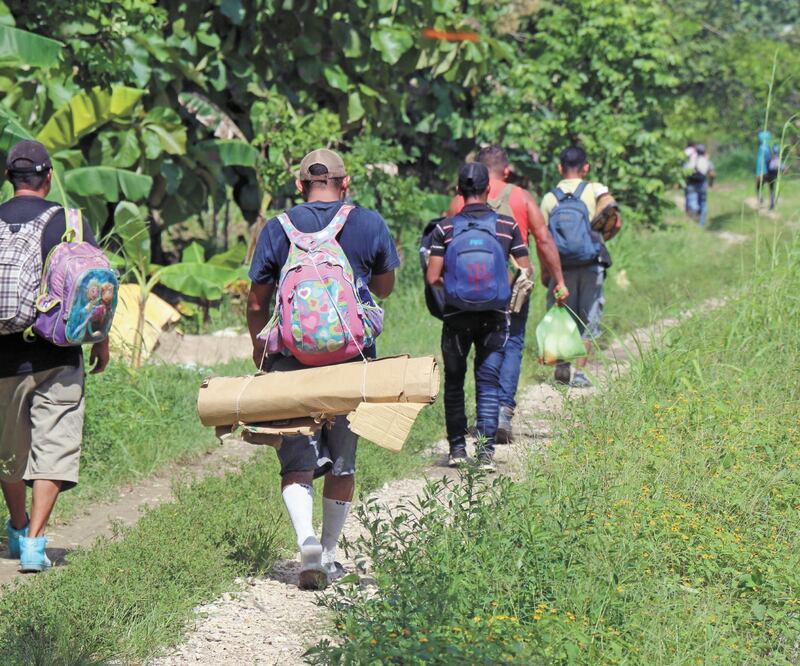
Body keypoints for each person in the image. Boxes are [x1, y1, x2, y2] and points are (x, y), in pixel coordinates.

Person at [247, 149, 399, 591]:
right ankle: (330, 555)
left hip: (292, 364)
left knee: (296, 461)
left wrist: (261, 355)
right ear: (344, 182)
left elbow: (257, 302)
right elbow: (385, 287)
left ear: (300, 186)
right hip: (352, 361)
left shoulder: (278, 228)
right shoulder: (368, 223)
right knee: (343, 464)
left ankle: (306, 542)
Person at [0, 140, 109, 572]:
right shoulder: (70, 221)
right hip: (59, 353)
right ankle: (35, 542)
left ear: (10, 178)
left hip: (2, 359)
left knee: (11, 451)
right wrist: (100, 340)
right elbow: (96, 288)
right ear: (48, 177)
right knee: (54, 445)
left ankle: (17, 523)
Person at [447, 146, 567, 444]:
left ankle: (473, 422)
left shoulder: (458, 201)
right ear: (506, 170)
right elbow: (544, 239)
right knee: (511, 343)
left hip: (466, 290)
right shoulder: (522, 197)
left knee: (473, 351)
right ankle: (501, 412)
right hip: (512, 283)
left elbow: (446, 242)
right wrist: (557, 279)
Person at [427, 163, 539, 470]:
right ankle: (487, 452)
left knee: (454, 381)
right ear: (488, 190)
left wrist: (456, 287)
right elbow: (525, 269)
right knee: (488, 382)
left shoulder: (445, 228)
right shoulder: (506, 225)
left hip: (456, 315)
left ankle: (457, 450)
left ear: (459, 191)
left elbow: (433, 276)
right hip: (494, 314)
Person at [539, 145, 622, 387]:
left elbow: (543, 240)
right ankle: (581, 373)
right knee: (588, 317)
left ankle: (562, 361)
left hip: (560, 268)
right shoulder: (595, 190)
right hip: (590, 264)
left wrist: (546, 270)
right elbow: (616, 223)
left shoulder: (549, 198)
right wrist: (598, 242)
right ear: (585, 168)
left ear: (559, 168)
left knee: (562, 315)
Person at [684, 144, 715, 227]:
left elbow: (684, 172)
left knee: (692, 202)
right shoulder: (707, 161)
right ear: (704, 151)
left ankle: (695, 211)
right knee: (703, 203)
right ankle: (701, 224)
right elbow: (712, 174)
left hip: (691, 185)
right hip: (702, 185)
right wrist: (711, 184)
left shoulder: (690, 161)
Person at [755, 130, 772, 206]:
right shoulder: (772, 148)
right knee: (771, 187)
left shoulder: (761, 149)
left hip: (762, 172)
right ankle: (772, 203)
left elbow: (760, 162)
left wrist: (758, 173)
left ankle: (760, 199)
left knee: (759, 186)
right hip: (771, 172)